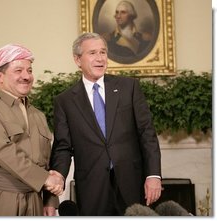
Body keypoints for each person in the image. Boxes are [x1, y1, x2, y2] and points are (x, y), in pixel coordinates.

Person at [50, 32, 162, 216]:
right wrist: (58, 175)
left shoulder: (129, 87)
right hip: (91, 187)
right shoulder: (65, 101)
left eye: (103, 52)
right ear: (77, 60)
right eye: (92, 53)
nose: (100, 58)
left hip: (131, 181)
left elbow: (146, 133)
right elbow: (63, 146)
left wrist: (153, 175)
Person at [0, 44, 65, 216]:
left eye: (29, 70)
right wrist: (46, 179)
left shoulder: (38, 115)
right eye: (18, 70)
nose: (26, 76)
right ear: (0, 76)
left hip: (34, 200)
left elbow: (45, 161)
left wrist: (50, 200)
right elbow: (4, 152)